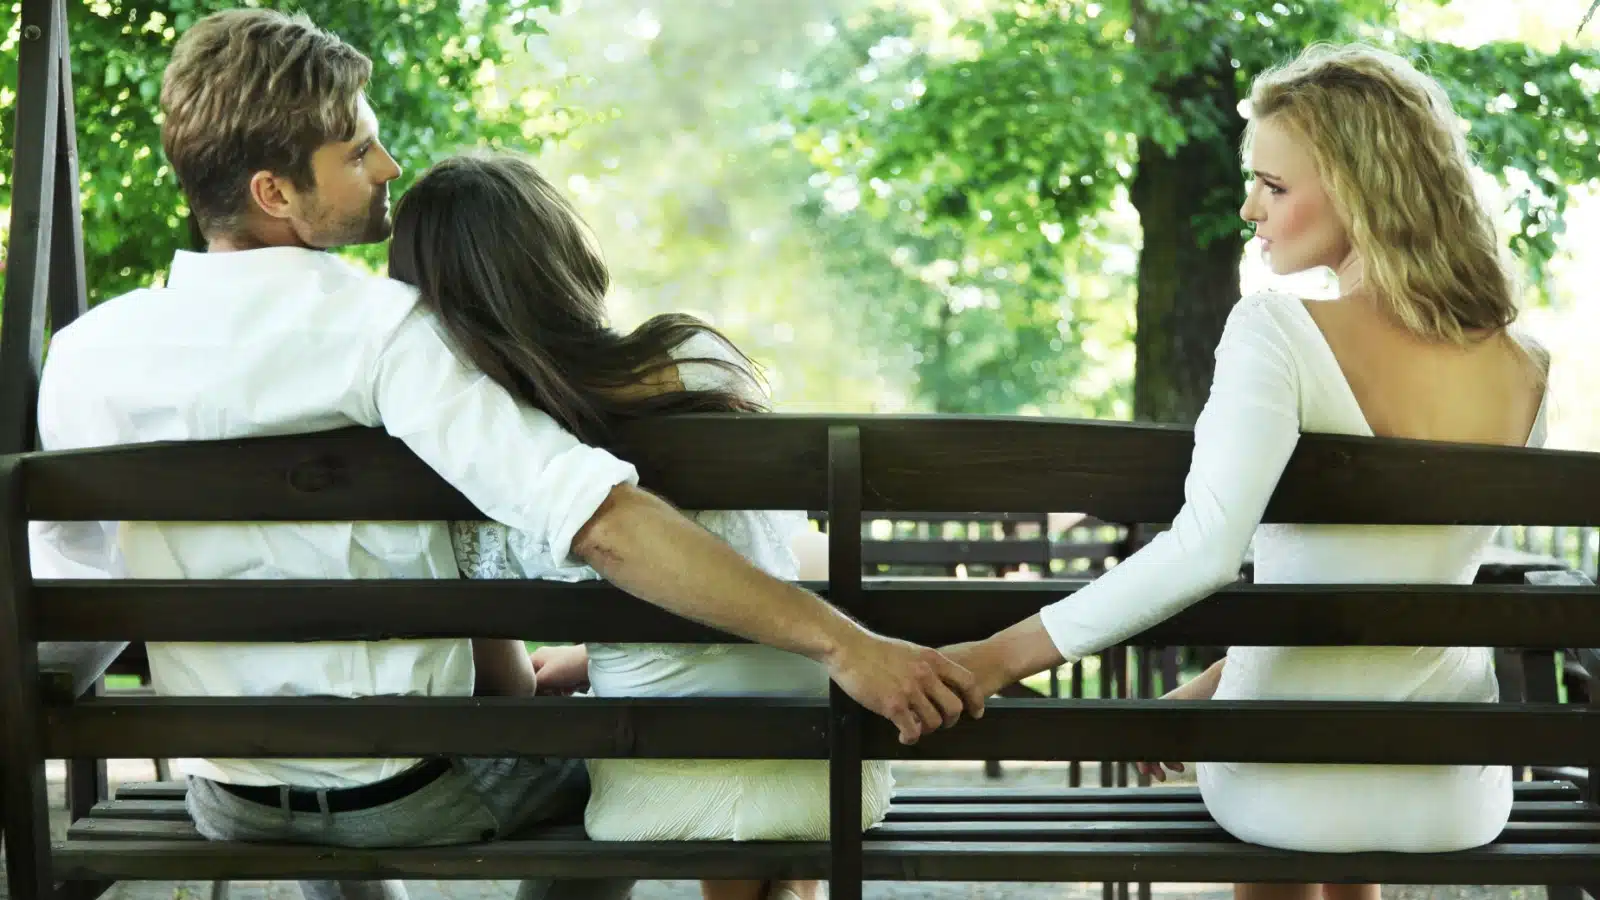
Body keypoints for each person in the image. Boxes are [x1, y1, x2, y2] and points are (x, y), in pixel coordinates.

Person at [28, 10, 983, 900]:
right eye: (357, 151)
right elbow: (596, 523)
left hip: (226, 797)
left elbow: (73, 576)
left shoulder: (84, 355)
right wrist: (843, 644)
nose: (388, 164)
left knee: (358, 766)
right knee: (615, 755)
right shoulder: (390, 334)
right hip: (413, 790)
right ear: (275, 192)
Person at [944, 42, 1549, 900]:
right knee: (1322, 791)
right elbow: (1397, 585)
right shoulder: (1525, 366)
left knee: (1292, 790)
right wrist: (1216, 686)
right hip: (1454, 795)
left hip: (1288, 788)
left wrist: (994, 660)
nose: (1247, 207)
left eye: (1273, 185)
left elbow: (1202, 551)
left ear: (1359, 186)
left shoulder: (1277, 330)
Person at [386, 153, 892, 900]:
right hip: (826, 764)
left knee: (646, 754)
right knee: (744, 752)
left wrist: (592, 660)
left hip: (653, 787)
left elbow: (507, 689)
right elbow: (754, 565)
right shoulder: (687, 362)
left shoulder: (474, 455)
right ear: (567, 259)